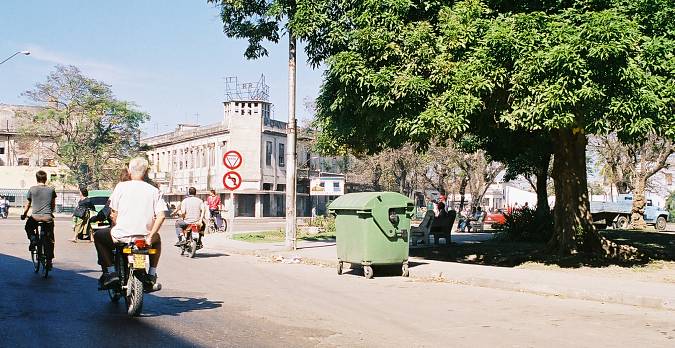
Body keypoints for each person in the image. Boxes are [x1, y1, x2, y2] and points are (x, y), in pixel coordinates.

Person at [94, 157, 167, 289]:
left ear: (129, 171)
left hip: (121, 235)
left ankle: (111, 272)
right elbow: (161, 216)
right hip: (145, 238)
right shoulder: (154, 191)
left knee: (98, 236)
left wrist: (117, 224)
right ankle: (152, 274)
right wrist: (150, 236)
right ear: (146, 172)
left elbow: (113, 213)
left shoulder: (121, 187)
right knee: (158, 239)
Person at [21, 170, 57, 270]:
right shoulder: (51, 190)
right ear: (46, 179)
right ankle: (49, 261)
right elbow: (53, 205)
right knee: (50, 239)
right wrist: (50, 212)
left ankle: (33, 239)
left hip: (35, 217)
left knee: (28, 227)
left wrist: (24, 215)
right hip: (47, 218)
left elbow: (28, 204)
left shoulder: (32, 189)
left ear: (37, 178)